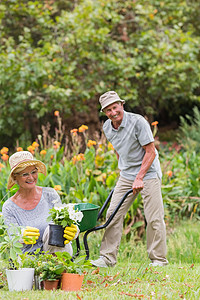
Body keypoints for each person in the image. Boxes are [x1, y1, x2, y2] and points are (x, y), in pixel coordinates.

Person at [91, 91, 168, 267]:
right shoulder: (107, 127)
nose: (113, 112)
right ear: (105, 112)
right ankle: (107, 258)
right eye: (108, 110)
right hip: (127, 175)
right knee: (113, 214)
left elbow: (151, 152)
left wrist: (139, 177)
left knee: (154, 217)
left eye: (115, 107)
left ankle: (158, 260)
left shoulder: (138, 122)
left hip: (148, 173)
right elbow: (119, 149)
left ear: (121, 105)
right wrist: (123, 170)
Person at [2, 151, 78, 256]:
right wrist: (21, 235)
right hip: (29, 259)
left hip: (57, 254)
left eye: (33, 172)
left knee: (53, 228)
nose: (31, 178)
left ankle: (60, 269)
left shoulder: (50, 195)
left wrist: (74, 230)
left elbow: (64, 221)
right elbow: (12, 236)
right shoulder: (9, 207)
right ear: (15, 177)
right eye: (25, 174)